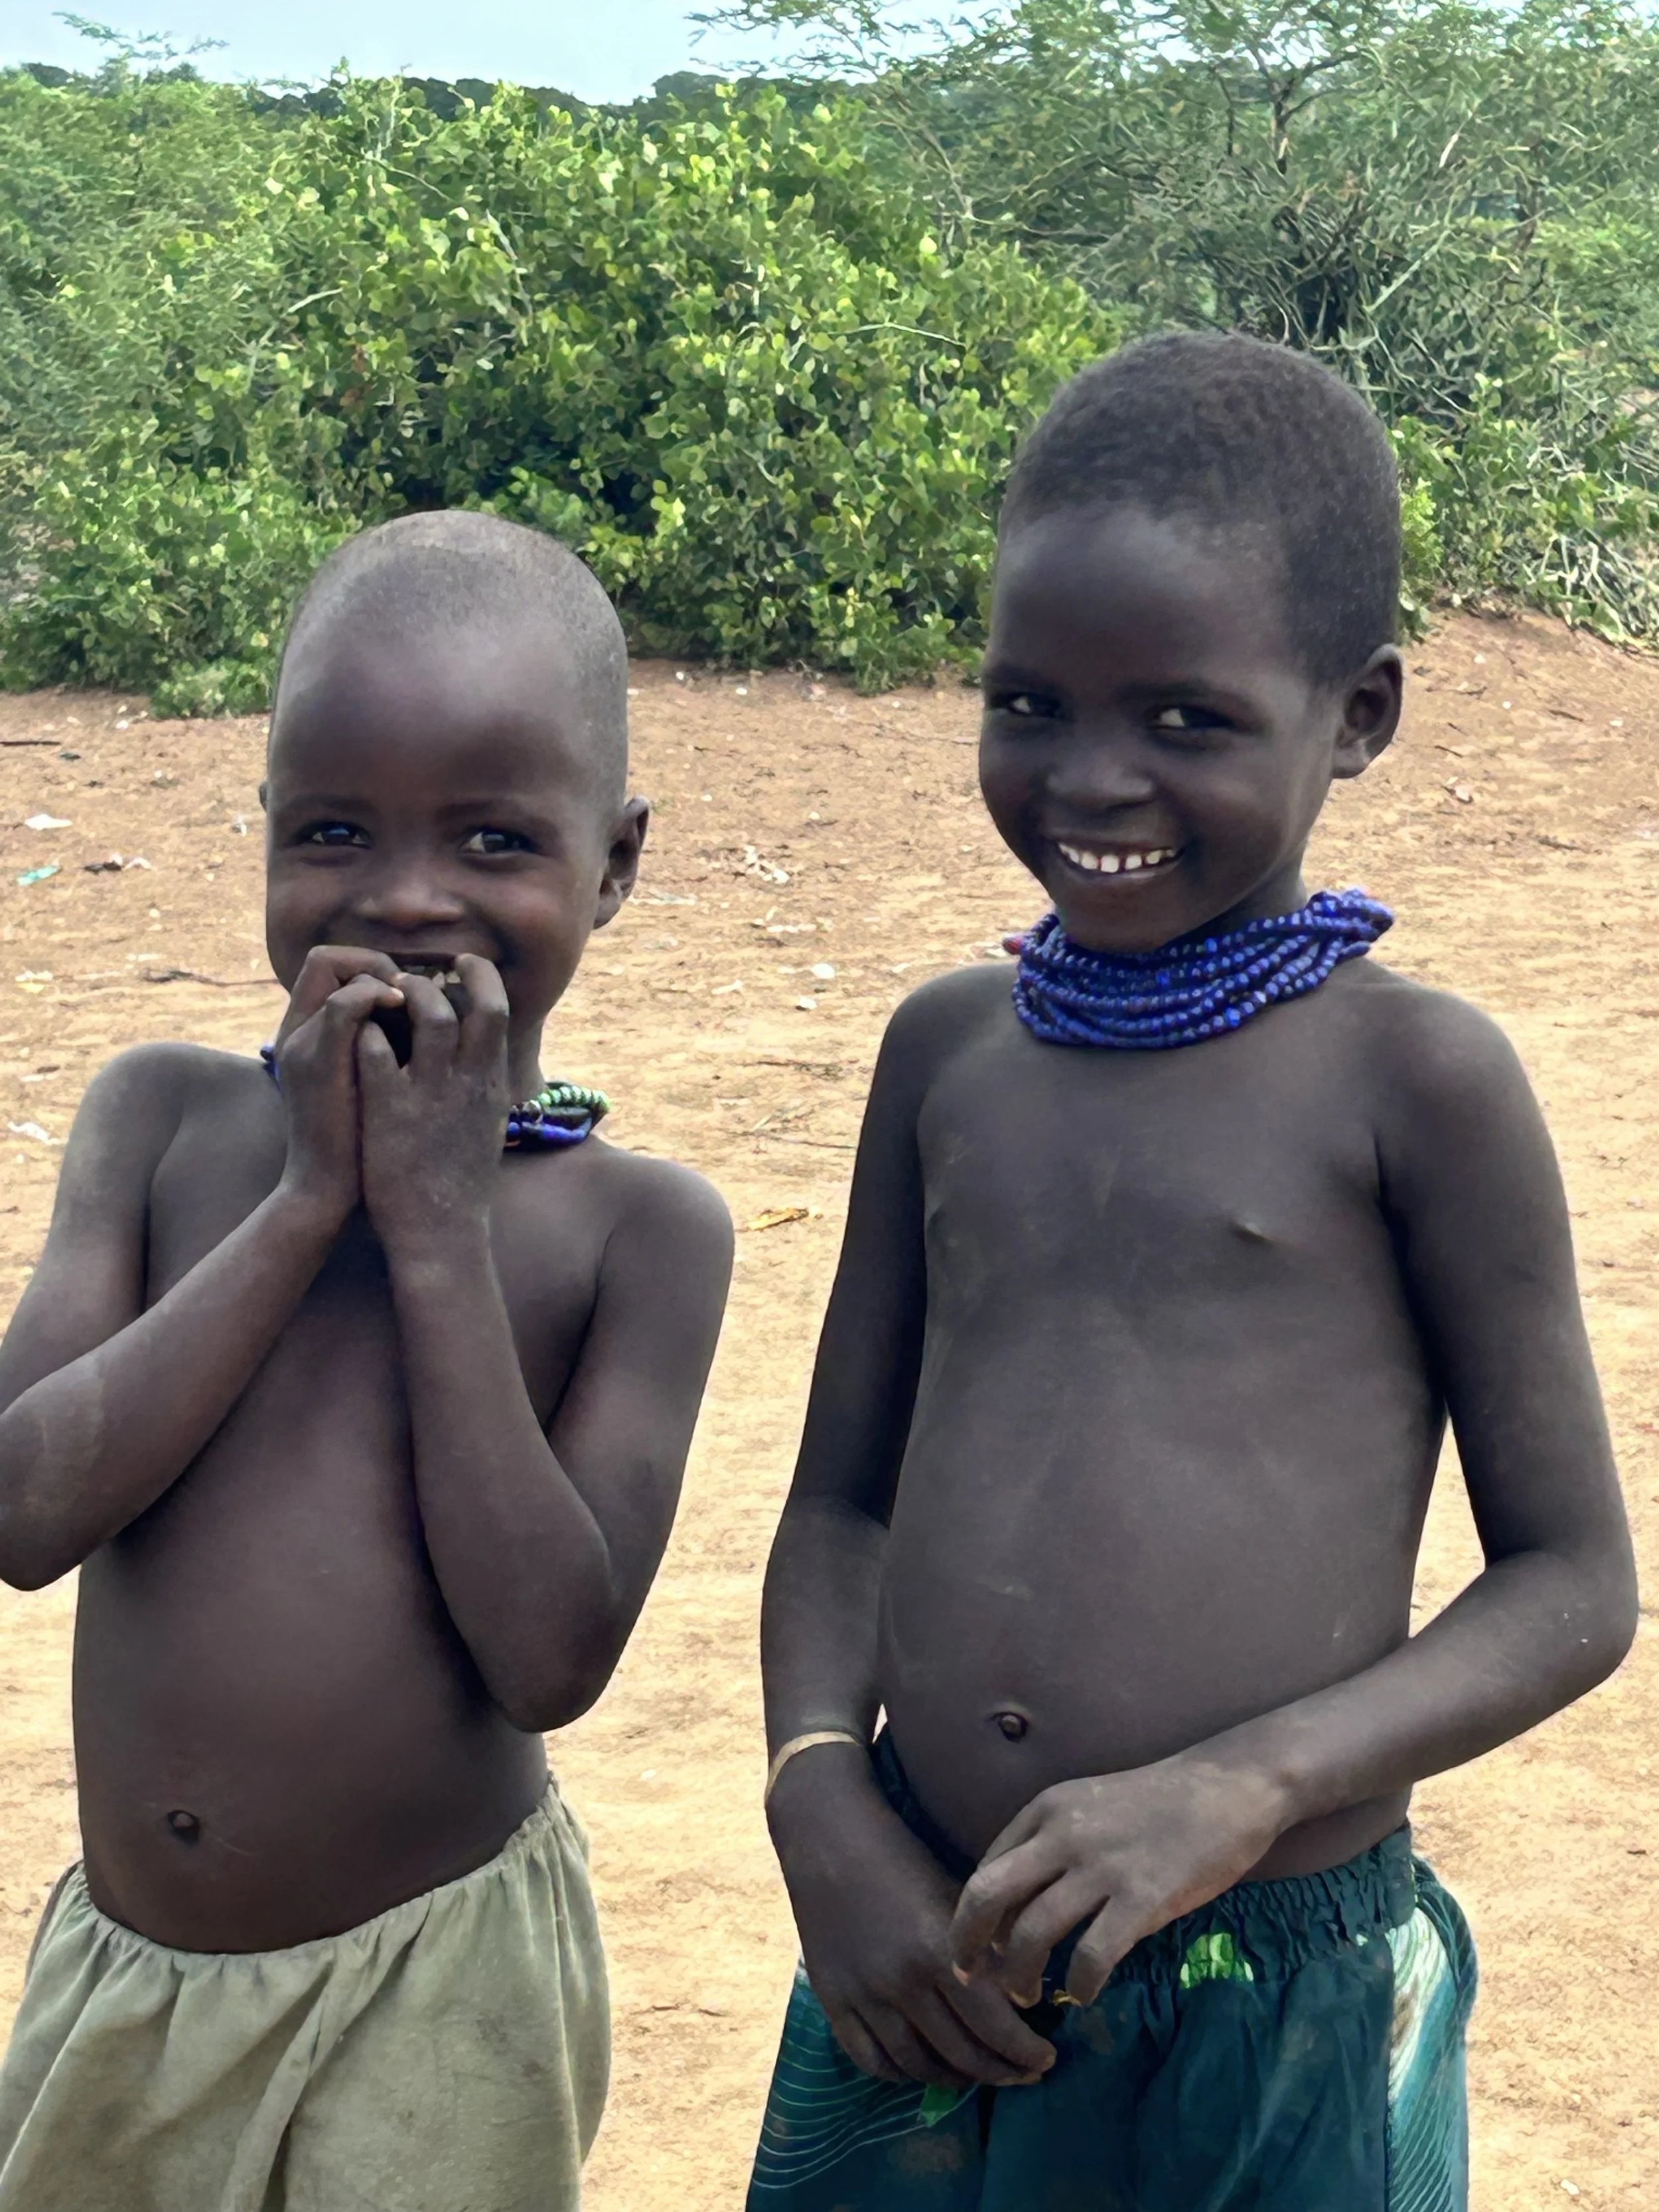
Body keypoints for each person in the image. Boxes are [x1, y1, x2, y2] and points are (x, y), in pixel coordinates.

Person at [747, 333, 1638, 2212]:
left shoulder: (1417, 1083)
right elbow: (838, 1495)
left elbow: (1571, 1581)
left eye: (1184, 718)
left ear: (1359, 713)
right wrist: (818, 1789)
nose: (1090, 775)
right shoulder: (947, 1053)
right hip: (918, 1945)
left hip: (1269, 1986)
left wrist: (1237, 1786)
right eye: (1025, 701)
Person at [0, 511, 733, 2212]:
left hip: (439, 1993)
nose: (407, 896)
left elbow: (551, 1649)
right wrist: (305, 1203)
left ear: (612, 862)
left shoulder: (639, 1231)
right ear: (263, 835)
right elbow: (25, 1511)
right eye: (335, 831)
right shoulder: (161, 1123)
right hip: (131, 1991)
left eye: (493, 838)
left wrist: (431, 1233)